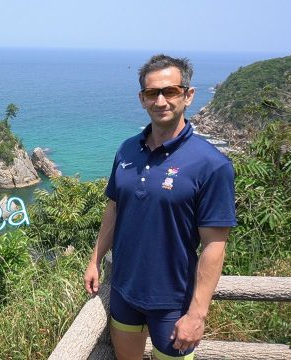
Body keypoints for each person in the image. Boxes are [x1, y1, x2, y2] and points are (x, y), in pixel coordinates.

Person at [83, 54, 236, 360]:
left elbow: (214, 245)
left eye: (171, 91)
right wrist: (95, 259)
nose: (161, 100)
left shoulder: (212, 164)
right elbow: (114, 208)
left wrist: (197, 315)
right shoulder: (127, 150)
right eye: (152, 93)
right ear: (142, 99)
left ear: (188, 95)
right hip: (124, 291)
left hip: (173, 301)